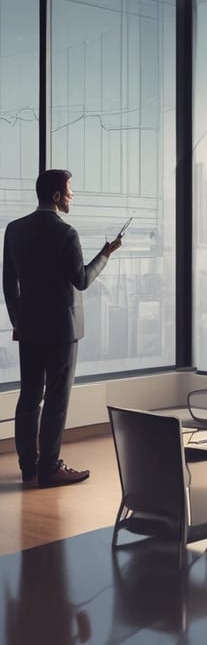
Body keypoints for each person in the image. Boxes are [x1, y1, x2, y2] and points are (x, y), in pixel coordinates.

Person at [2, 170, 122, 488]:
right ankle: (50, 468)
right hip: (62, 331)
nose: (72, 196)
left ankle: (29, 466)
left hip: (28, 330)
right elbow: (81, 279)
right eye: (69, 191)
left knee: (29, 398)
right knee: (56, 399)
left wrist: (18, 320)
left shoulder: (13, 230)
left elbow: (7, 283)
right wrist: (106, 254)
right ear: (56, 196)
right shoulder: (66, 233)